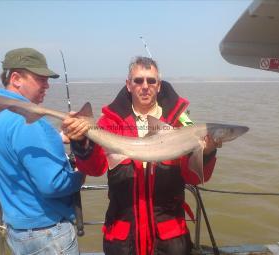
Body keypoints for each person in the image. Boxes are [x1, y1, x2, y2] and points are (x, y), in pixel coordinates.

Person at [63, 56, 221, 255]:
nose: (145, 86)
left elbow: (195, 178)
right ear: (128, 85)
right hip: (123, 238)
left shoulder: (180, 123)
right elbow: (95, 169)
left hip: (169, 239)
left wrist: (206, 153)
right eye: (138, 80)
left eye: (151, 80)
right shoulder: (110, 123)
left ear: (159, 85)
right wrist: (81, 141)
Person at [0, 48, 82, 255]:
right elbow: (53, 186)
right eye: (40, 79)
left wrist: (56, 138)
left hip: (18, 230)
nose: (47, 85)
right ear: (16, 79)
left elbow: (16, 151)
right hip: (48, 234)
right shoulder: (28, 121)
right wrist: (81, 173)